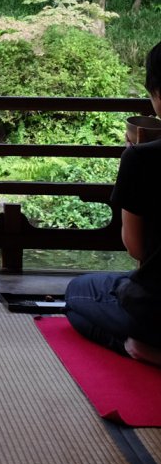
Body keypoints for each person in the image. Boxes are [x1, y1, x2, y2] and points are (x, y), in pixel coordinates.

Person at [64, 40, 161, 365]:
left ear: (157, 93)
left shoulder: (142, 159)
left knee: (78, 295)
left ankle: (141, 348)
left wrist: (133, 152)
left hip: (156, 310)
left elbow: (135, 248)